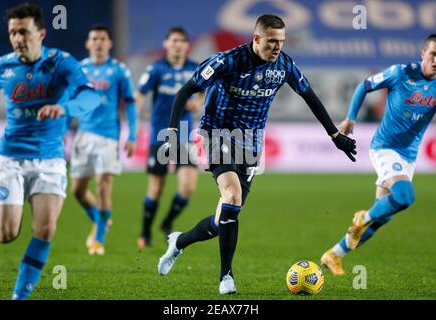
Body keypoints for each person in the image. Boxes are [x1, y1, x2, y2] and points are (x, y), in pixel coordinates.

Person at [157, 14, 357, 294]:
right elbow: (185, 91)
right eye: (272, 41)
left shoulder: (284, 65)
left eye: (281, 42)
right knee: (232, 195)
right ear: (256, 39)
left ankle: (178, 243)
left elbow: (309, 96)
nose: (277, 47)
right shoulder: (227, 61)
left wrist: (335, 135)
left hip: (251, 143)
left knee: (221, 220)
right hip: (217, 134)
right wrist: (173, 132)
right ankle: (226, 277)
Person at [0, 3, 100, 299]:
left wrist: (64, 107)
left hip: (50, 159)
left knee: (46, 229)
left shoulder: (62, 63)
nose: (17, 38)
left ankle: (18, 297)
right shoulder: (2, 66)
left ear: (41, 33)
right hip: (10, 159)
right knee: (5, 235)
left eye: (23, 31)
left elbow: (91, 97)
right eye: (13, 32)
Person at [321, 34, 436, 275]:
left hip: (408, 156)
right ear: (423, 54)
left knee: (383, 216)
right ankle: (362, 217)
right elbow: (364, 85)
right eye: (433, 54)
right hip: (385, 147)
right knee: (405, 197)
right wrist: (351, 116)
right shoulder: (401, 73)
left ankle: (333, 254)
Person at [70, 25, 138, 256]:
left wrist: (132, 135)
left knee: (102, 186)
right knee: (77, 190)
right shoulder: (79, 69)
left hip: (108, 136)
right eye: (94, 39)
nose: (98, 42)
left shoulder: (119, 70)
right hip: (83, 135)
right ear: (88, 44)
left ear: (109, 44)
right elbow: (69, 101)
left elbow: (130, 102)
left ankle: (98, 239)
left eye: (102, 39)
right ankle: (101, 220)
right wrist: (61, 131)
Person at [136, 27, 203, 248]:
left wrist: (198, 103)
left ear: (187, 45)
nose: (178, 44)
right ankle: (145, 232)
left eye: (182, 41)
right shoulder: (156, 68)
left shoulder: (196, 68)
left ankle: (167, 222)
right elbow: (139, 94)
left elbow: (206, 93)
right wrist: (133, 120)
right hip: (160, 134)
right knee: (157, 186)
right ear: (166, 44)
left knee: (188, 187)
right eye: (174, 40)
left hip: (184, 136)